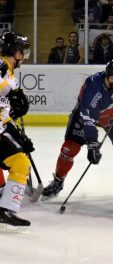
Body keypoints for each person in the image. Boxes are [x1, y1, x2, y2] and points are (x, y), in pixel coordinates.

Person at [41, 59, 113, 200]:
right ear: (111, 79)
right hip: (85, 115)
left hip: (111, 116)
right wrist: (93, 146)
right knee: (69, 149)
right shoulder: (92, 89)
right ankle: (58, 181)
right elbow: (88, 120)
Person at [0, 32, 34, 227]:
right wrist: (10, 92)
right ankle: (6, 211)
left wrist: (17, 134)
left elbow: (4, 113)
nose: (24, 55)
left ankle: (5, 209)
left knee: (20, 161)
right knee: (21, 163)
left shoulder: (11, 74)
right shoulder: (1, 65)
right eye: (23, 51)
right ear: (15, 51)